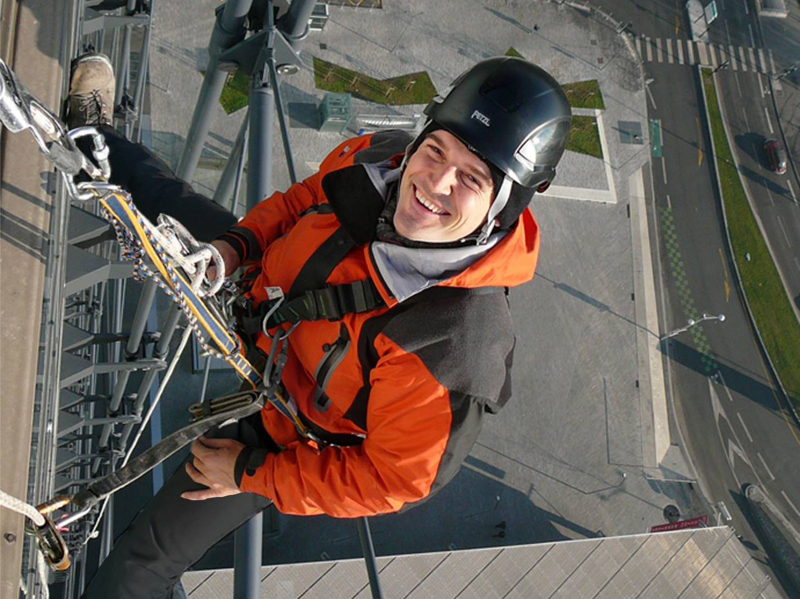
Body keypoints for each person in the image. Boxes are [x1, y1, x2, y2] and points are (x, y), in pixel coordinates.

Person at [68, 51, 571, 598]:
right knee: (165, 199)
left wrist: (250, 474)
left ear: (502, 208)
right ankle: (91, 133)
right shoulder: (383, 161)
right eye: (435, 149)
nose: (435, 182)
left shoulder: (453, 345)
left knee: (146, 557)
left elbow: (388, 479)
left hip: (286, 420)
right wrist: (237, 247)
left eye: (472, 178)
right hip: (261, 290)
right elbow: (304, 200)